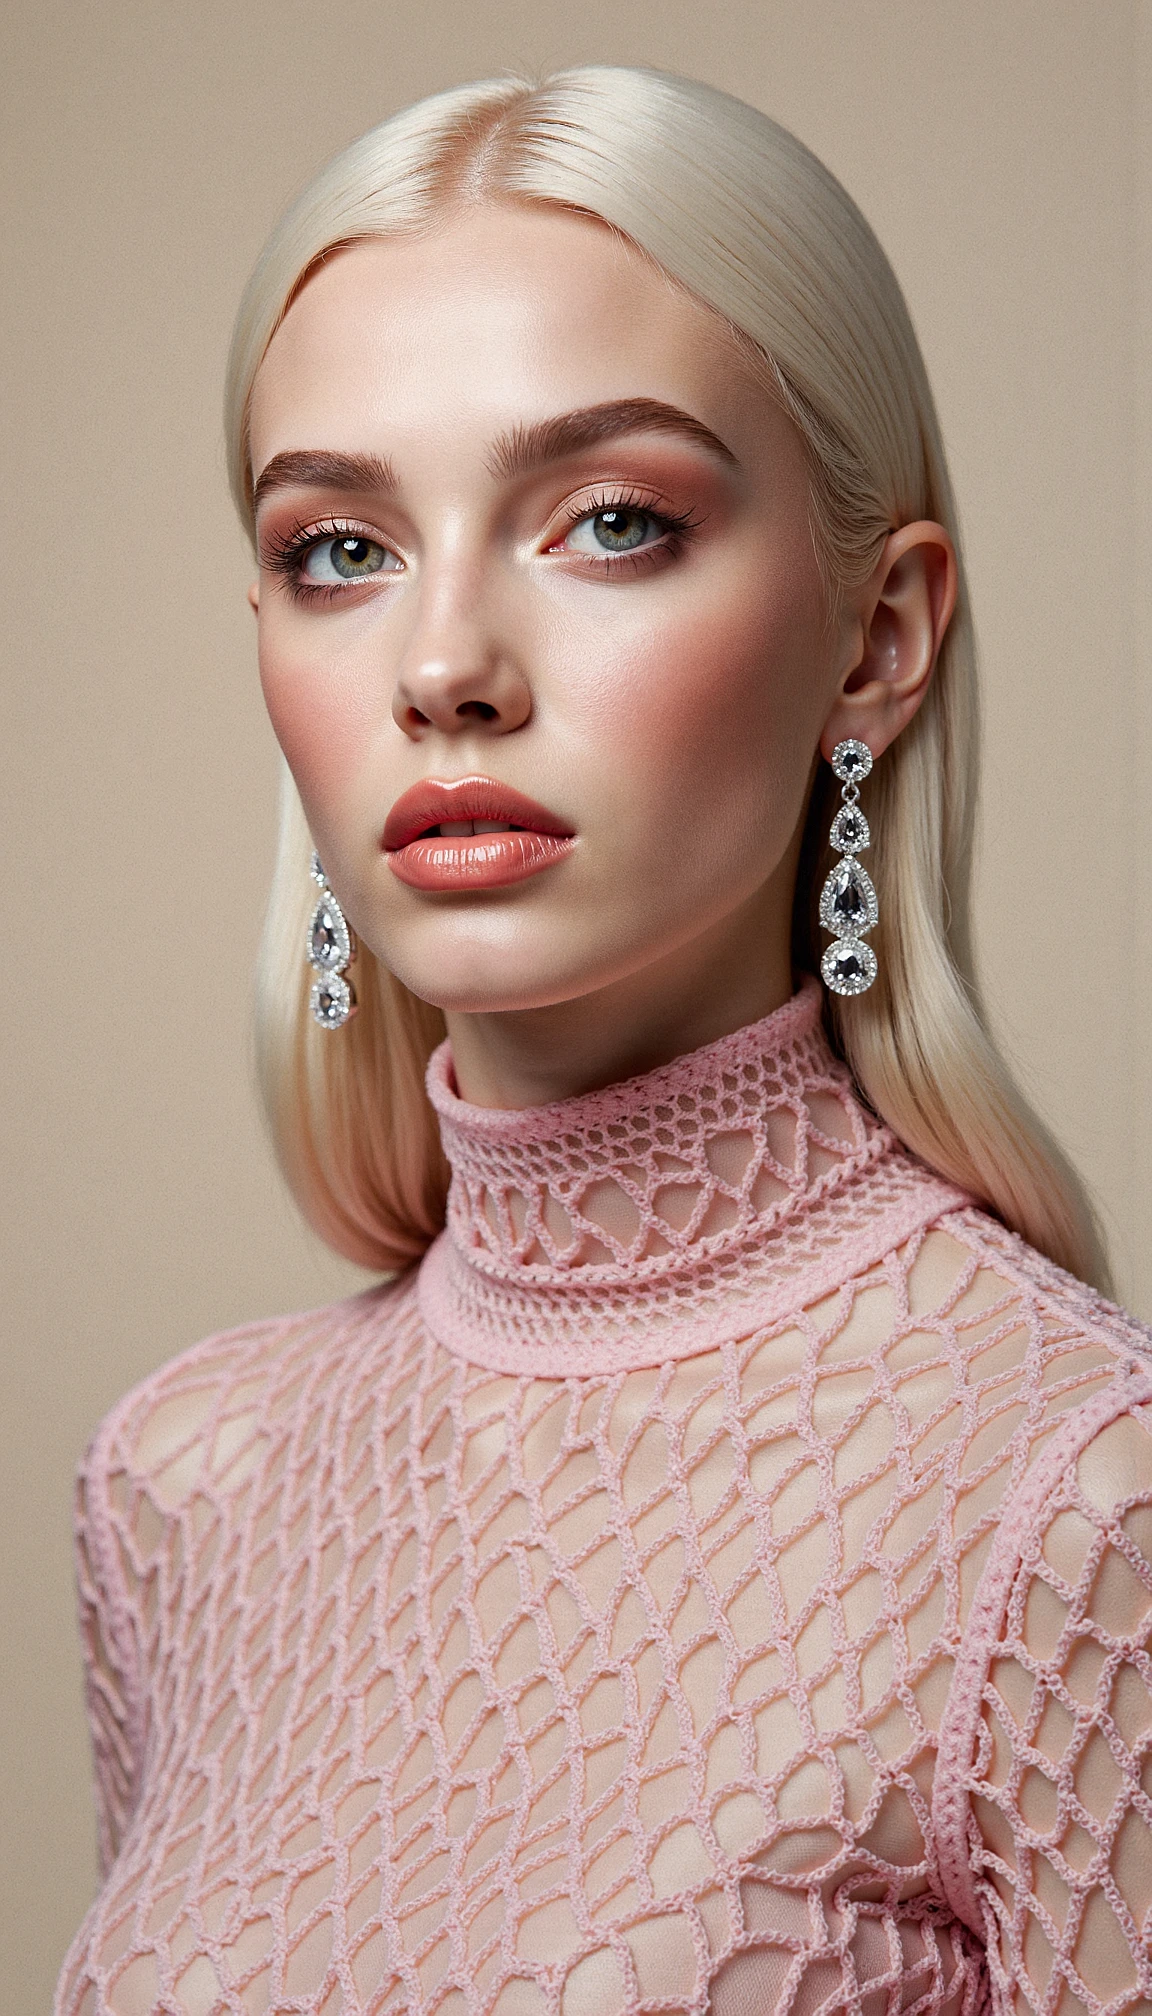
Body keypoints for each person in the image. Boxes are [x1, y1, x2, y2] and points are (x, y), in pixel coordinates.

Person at [58, 67, 1152, 2016]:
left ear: (877, 639)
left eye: (612, 522)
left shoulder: (1076, 1503)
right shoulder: (185, 1490)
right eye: (339, 550)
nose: (445, 666)